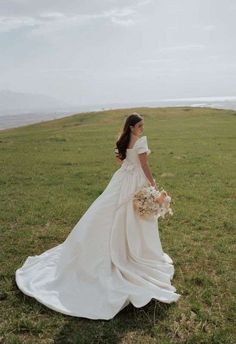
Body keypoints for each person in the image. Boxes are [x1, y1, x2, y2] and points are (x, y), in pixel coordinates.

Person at [15, 112, 181, 320]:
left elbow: (120, 163)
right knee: (133, 215)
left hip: (122, 180)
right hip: (136, 180)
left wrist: (129, 170)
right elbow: (145, 165)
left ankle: (121, 249)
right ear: (131, 127)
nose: (142, 129)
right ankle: (129, 252)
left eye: (142, 126)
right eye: (139, 126)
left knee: (116, 211)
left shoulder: (122, 141)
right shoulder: (141, 142)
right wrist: (152, 185)